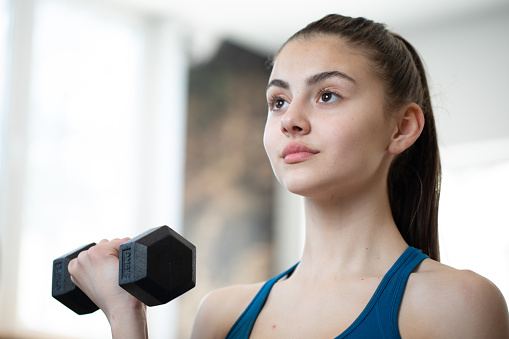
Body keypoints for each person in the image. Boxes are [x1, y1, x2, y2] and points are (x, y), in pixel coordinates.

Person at [68, 14, 509, 338]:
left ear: (402, 128)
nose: (290, 120)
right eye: (278, 101)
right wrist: (125, 317)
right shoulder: (220, 316)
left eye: (328, 95)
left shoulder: (459, 306)